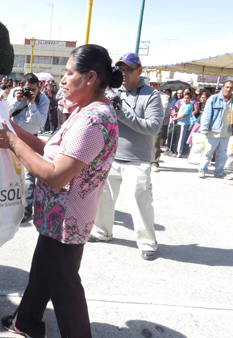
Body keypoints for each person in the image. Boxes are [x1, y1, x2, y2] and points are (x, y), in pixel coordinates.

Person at [0, 44, 121, 338]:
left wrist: (12, 143)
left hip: (66, 219)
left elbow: (56, 175)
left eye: (70, 73)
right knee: (43, 269)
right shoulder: (86, 111)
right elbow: (54, 151)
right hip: (58, 216)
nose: (63, 80)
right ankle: (27, 321)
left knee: (65, 287)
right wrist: (14, 130)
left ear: (91, 77)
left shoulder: (93, 120)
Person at [89, 52, 163, 261]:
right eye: (120, 69)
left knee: (140, 201)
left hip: (137, 160)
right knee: (103, 198)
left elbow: (153, 127)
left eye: (129, 69)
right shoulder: (112, 92)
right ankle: (103, 231)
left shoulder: (151, 95)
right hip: (111, 157)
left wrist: (122, 113)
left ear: (140, 70)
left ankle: (148, 242)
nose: (124, 74)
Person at [8, 73, 49, 223]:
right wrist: (16, 101)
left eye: (33, 90)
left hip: (31, 137)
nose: (30, 93)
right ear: (21, 87)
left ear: (39, 88)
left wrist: (32, 104)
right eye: (27, 89)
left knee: (28, 175)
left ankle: (26, 210)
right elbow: (5, 114)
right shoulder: (14, 94)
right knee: (10, 172)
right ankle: (11, 205)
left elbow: (40, 123)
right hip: (13, 136)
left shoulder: (43, 100)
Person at [198, 80, 233, 179]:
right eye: (227, 87)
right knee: (208, 151)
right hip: (214, 130)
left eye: (231, 88)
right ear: (223, 88)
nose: (228, 89)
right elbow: (207, 115)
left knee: (222, 153)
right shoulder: (214, 99)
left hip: (227, 131)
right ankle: (202, 170)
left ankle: (219, 172)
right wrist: (204, 129)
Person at [149, 79, 170, 171]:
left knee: (155, 141)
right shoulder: (144, 94)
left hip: (157, 121)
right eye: (151, 84)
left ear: (158, 85)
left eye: (155, 84)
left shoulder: (164, 96)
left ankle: (154, 162)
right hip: (143, 120)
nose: (153, 86)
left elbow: (163, 108)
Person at [172, 92, 193, 157]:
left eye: (188, 98)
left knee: (181, 138)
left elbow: (184, 115)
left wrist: (176, 119)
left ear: (190, 99)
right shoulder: (184, 104)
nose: (186, 99)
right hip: (179, 123)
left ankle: (179, 152)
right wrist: (176, 113)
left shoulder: (189, 106)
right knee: (178, 138)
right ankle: (176, 151)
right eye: (185, 98)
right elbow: (181, 112)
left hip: (184, 124)